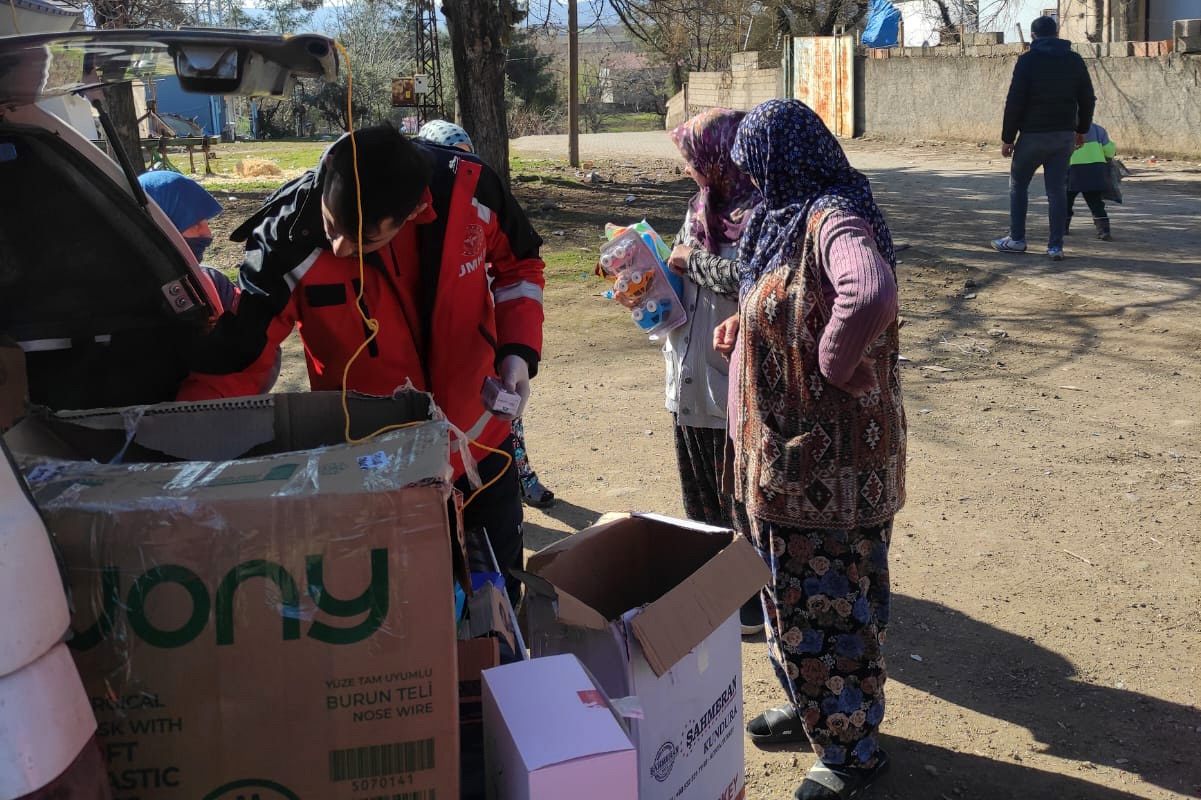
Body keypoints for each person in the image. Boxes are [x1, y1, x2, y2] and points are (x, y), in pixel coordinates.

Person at [179, 125, 546, 607]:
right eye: (332, 227)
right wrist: (178, 454)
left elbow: (519, 265)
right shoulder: (288, 239)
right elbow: (237, 361)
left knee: (497, 611)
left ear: (415, 212)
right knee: (401, 623)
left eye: (360, 240)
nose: (337, 250)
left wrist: (517, 351)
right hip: (373, 475)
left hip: (481, 452)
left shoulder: (471, 188)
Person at [725, 99, 906, 800]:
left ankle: (851, 748)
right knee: (785, 598)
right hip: (784, 462)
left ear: (783, 157)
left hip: (827, 468)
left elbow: (867, 292)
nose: (746, 182)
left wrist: (832, 361)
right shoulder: (779, 219)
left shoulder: (831, 215)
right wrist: (744, 333)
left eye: (753, 167)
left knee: (829, 605)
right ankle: (814, 711)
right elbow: (781, 301)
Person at [417, 119, 556, 509]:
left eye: (465, 159)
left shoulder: (482, 196)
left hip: (487, 348)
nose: (458, 170)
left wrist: (517, 346)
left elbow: (517, 264)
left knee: (507, 418)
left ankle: (522, 476)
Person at [664, 108, 765, 637]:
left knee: (739, 492)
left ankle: (750, 596)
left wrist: (688, 262)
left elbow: (753, 279)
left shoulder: (763, 212)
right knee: (700, 495)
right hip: (686, 370)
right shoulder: (698, 208)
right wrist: (641, 279)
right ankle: (714, 586)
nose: (688, 170)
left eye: (693, 159)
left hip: (732, 377)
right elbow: (675, 269)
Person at [138, 170, 283, 393]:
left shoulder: (213, 283)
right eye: (196, 223)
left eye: (206, 222)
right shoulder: (209, 284)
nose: (208, 233)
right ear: (161, 224)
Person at [991, 15, 1096, 261]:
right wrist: (1081, 130)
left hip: (1032, 136)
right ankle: (1055, 247)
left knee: (1018, 186)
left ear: (1033, 36)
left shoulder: (1027, 61)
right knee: (1057, 191)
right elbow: (1088, 98)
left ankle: (1017, 239)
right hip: (1063, 137)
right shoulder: (1074, 60)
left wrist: (1008, 137)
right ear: (1057, 33)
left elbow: (1015, 100)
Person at [1066, 121, 1116, 241]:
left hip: (1071, 171)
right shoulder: (1099, 130)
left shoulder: (1065, 129)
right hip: (1094, 171)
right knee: (1096, 203)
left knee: (1065, 201)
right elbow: (1109, 151)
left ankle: (1062, 227)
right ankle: (1104, 231)